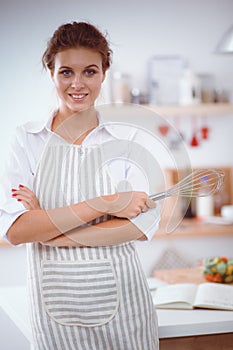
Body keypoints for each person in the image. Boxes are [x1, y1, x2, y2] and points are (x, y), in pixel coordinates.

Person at [0, 22, 160, 349]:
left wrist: (51, 230)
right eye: (65, 72)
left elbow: (143, 225)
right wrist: (106, 204)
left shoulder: (128, 138)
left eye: (89, 72)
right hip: (54, 309)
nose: (77, 84)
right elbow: (16, 231)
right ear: (50, 73)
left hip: (125, 306)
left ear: (104, 73)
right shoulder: (26, 140)